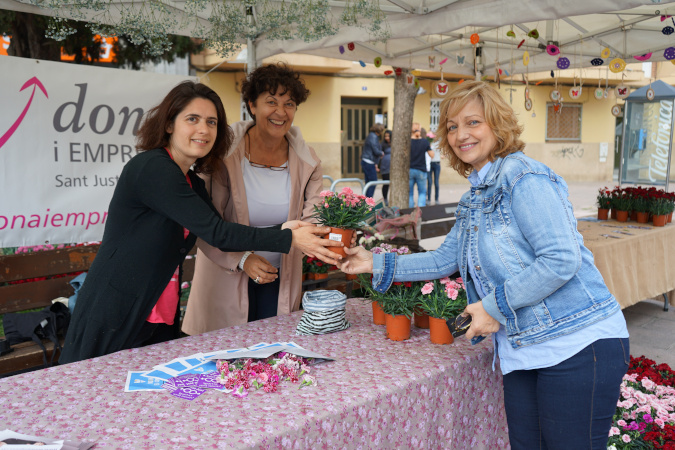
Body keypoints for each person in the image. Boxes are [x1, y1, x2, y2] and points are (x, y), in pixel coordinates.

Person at [339, 81, 629, 450]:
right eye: (453, 126)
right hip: (525, 348)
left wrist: (494, 307)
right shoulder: (475, 196)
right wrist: (372, 263)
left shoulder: (523, 176)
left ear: (497, 125)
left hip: (577, 341)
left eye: (473, 122)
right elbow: (445, 260)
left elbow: (561, 260)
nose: (462, 134)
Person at [59, 81, 343, 364]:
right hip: (115, 311)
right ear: (169, 124)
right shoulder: (153, 168)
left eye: (212, 122)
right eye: (192, 119)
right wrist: (288, 236)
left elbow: (216, 226)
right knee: (96, 396)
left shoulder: (190, 180)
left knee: (152, 402)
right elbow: (217, 232)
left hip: (159, 309)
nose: (204, 130)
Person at [182, 64, 323, 334]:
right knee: (225, 363)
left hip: (280, 279)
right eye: (271, 102)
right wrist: (244, 259)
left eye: (289, 103)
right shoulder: (222, 155)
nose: (281, 112)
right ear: (252, 105)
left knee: (274, 362)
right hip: (225, 277)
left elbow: (311, 221)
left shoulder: (309, 161)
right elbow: (206, 226)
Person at [409, 122, 434, 207]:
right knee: (422, 193)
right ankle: (420, 214)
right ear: (419, 130)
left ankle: (410, 213)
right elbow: (432, 155)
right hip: (421, 170)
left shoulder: (407, 142)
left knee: (410, 194)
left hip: (410, 170)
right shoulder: (424, 142)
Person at [362, 123, 384, 198]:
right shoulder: (373, 137)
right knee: (373, 181)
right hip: (369, 161)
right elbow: (375, 150)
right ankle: (368, 199)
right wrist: (381, 153)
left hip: (367, 160)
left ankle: (366, 200)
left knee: (369, 182)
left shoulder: (371, 136)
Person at [426, 131, 442, 205]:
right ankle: (428, 199)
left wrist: (442, 156)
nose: (434, 136)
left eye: (435, 135)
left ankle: (436, 199)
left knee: (436, 182)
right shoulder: (429, 143)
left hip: (437, 164)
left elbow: (444, 152)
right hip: (429, 164)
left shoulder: (439, 143)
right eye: (432, 135)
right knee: (429, 182)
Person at [379, 129, 392, 206]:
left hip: (393, 168)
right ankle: (385, 199)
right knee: (385, 184)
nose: (387, 137)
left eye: (388, 136)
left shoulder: (395, 143)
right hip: (385, 167)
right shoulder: (382, 144)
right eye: (385, 136)